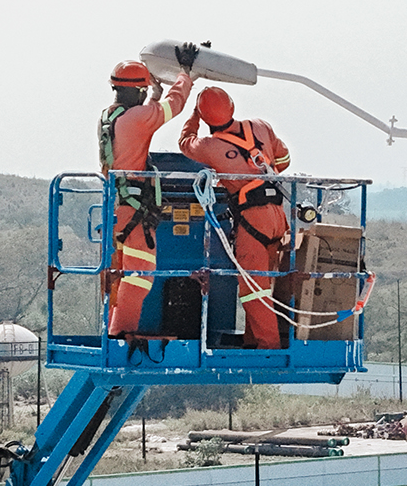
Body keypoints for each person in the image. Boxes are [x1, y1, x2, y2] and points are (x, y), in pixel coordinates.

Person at [179, 86, 292, 349]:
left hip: (253, 218)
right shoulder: (260, 126)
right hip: (277, 216)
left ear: (206, 117)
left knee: (254, 288)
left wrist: (194, 116)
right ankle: (253, 339)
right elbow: (284, 160)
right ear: (231, 107)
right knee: (264, 282)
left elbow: (186, 142)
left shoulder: (209, 146)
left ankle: (267, 345)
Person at [99, 48, 195, 337]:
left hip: (116, 206)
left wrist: (154, 91)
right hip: (133, 209)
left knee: (121, 274)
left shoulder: (111, 116)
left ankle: (114, 331)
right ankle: (121, 333)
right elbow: (173, 106)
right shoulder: (136, 119)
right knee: (140, 275)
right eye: (142, 91)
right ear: (136, 91)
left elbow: (147, 112)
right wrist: (186, 75)